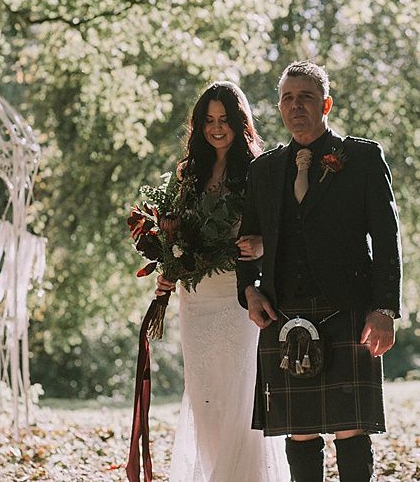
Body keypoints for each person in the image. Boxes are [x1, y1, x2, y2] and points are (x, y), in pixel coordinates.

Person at [235, 61, 402, 482]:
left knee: (351, 427)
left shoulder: (362, 158)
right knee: (301, 432)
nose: (296, 106)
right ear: (279, 107)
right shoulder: (265, 170)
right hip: (284, 311)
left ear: (326, 103)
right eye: (287, 99)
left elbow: (386, 238)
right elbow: (248, 244)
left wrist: (383, 309)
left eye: (306, 97)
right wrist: (250, 292)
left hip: (347, 308)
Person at [155, 82, 290, 482]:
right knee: (205, 396)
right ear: (198, 125)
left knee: (240, 394)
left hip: (237, 292)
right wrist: (168, 262)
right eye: (209, 121)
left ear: (239, 123)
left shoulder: (258, 170)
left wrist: (263, 245)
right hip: (194, 297)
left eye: (224, 120)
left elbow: (281, 229)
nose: (217, 129)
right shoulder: (187, 173)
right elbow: (178, 232)